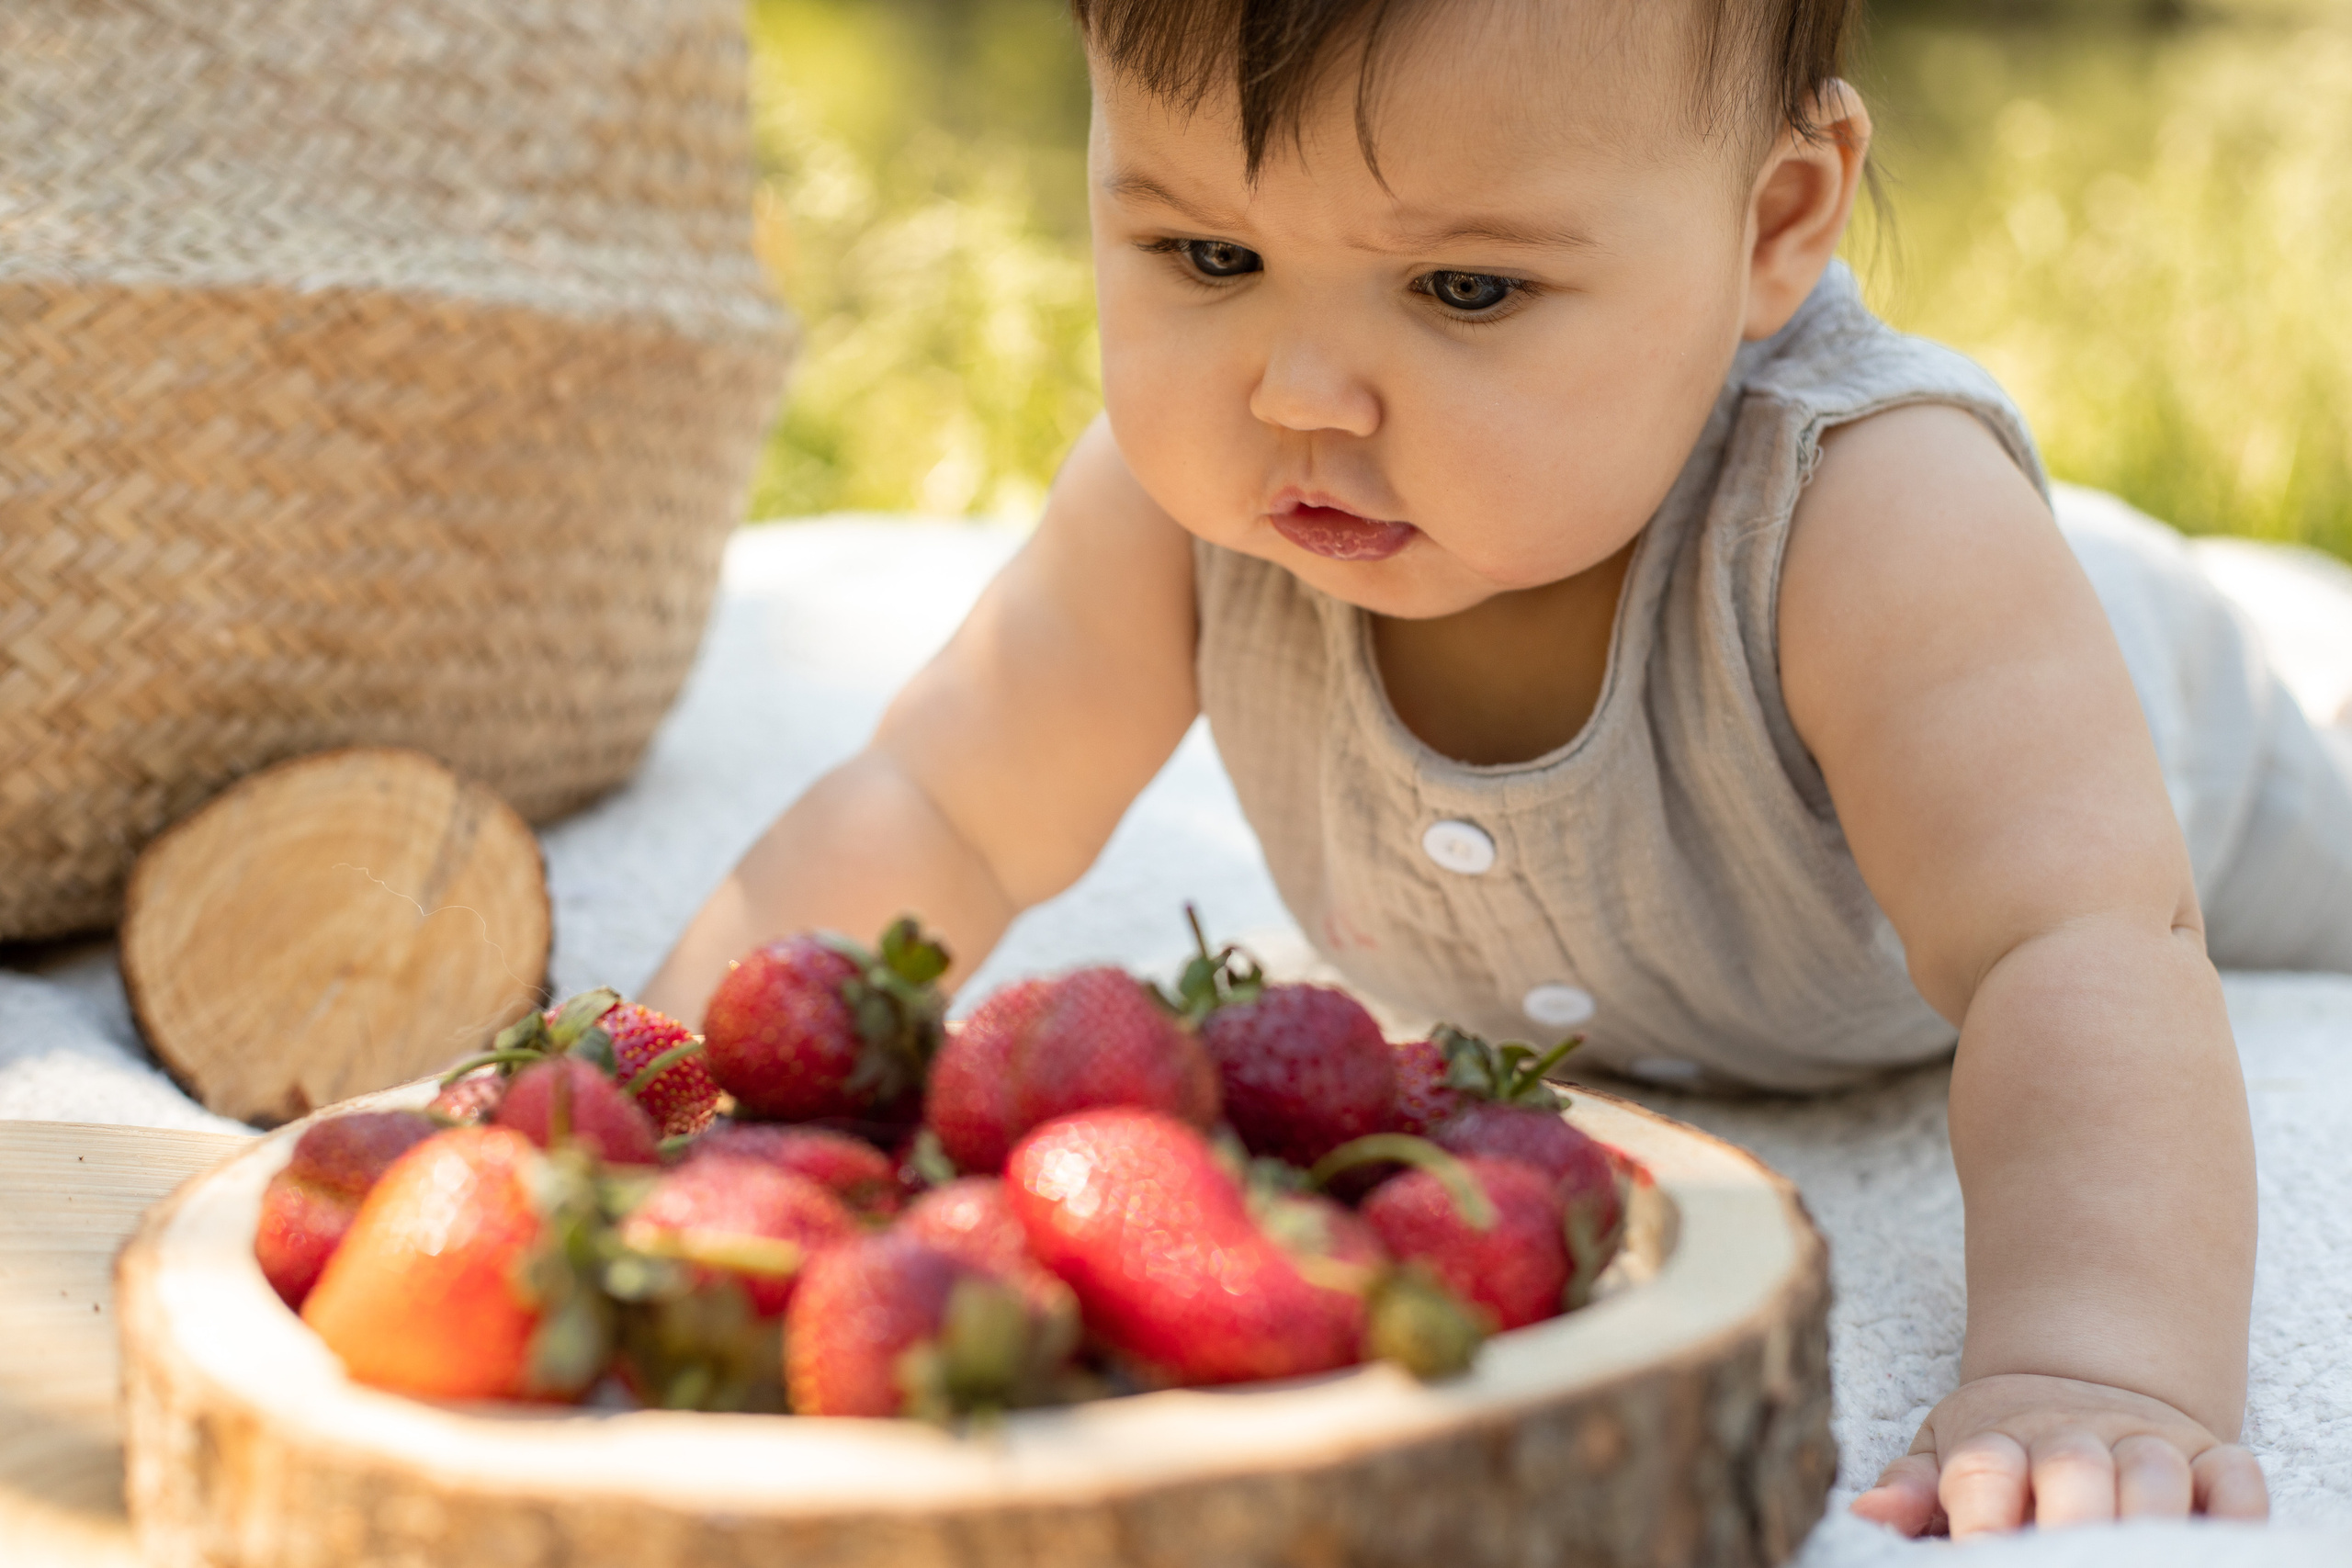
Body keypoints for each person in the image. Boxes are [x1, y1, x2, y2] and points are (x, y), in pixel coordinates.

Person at [645, 0, 2352, 1538]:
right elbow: (940, 805)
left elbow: (2079, 945)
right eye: (1208, 256)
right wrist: (659, 1088)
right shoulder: (1178, 517)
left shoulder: (1874, 524)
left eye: (1465, 289)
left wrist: (2092, 1368)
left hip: (2153, 733)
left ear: (1774, 223)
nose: (1302, 396)